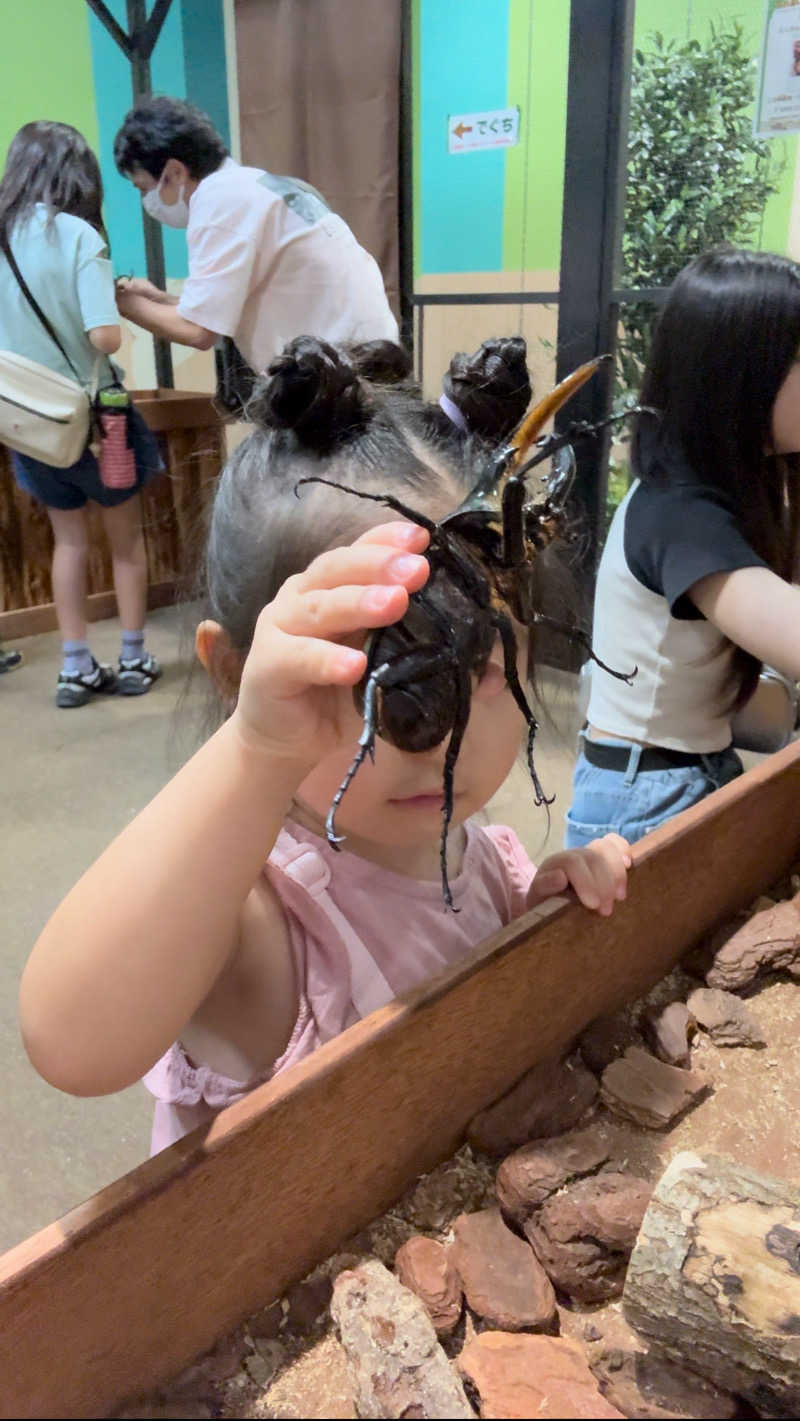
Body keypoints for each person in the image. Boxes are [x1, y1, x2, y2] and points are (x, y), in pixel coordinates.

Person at [20, 336, 630, 1153]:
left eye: (482, 668)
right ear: (241, 677)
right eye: (370, 678)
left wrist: (536, 917)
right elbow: (70, 1040)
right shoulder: (263, 925)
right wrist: (254, 750)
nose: (434, 731)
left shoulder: (484, 863)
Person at [565, 247, 800, 850]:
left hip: (689, 766)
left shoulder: (740, 480)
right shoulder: (681, 510)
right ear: (742, 379)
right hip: (644, 791)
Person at [0, 121, 163, 708]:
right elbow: (105, 337)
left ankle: (74, 667)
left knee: (67, 542)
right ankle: (133, 656)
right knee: (125, 541)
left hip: (28, 426)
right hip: (102, 422)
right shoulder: (77, 236)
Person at [111, 96, 398, 384]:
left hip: (336, 374)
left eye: (143, 188)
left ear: (174, 172)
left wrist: (119, 301)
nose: (146, 201)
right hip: (367, 358)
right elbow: (216, 307)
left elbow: (197, 330)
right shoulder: (249, 185)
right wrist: (160, 299)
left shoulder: (218, 202)